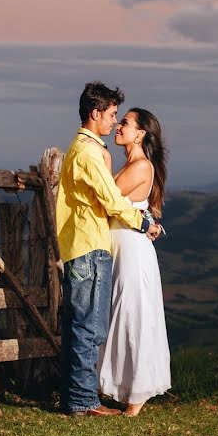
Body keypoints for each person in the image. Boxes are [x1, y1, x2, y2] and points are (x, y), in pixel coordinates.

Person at [56, 82, 162, 417]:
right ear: (95, 113)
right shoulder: (89, 152)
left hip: (94, 243)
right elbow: (112, 199)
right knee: (88, 325)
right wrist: (143, 222)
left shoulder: (91, 151)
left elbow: (112, 198)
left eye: (121, 118)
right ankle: (82, 400)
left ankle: (83, 396)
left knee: (89, 324)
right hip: (89, 243)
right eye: (113, 114)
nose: (115, 122)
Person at [98, 108, 171, 416]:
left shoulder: (140, 166)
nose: (118, 126)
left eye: (125, 123)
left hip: (131, 251)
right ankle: (122, 387)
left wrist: (103, 162)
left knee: (133, 318)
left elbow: (107, 199)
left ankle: (136, 399)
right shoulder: (134, 164)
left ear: (140, 133)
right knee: (120, 315)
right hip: (121, 247)